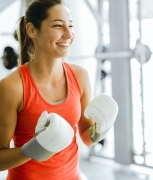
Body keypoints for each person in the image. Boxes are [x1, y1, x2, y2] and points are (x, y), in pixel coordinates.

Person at [0, 0, 118, 180]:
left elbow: (86, 137)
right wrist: (34, 149)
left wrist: (102, 128)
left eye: (71, 26)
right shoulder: (12, 87)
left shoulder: (80, 76)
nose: (69, 34)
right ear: (32, 30)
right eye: (58, 26)